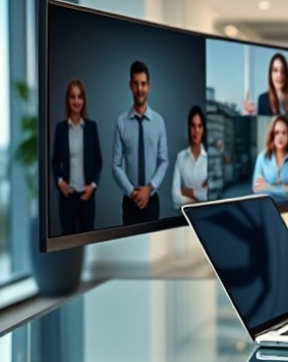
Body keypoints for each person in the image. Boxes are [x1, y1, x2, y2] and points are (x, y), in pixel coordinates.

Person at [113, 60, 169, 225]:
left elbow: (163, 161)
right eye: (136, 84)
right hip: (130, 201)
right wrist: (132, 192)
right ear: (130, 86)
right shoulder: (121, 122)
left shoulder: (159, 121)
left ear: (148, 86)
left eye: (143, 84)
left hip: (152, 201)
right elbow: (115, 164)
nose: (140, 89)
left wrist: (149, 188)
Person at [51, 79, 102, 234]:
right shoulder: (60, 129)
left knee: (87, 243)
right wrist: (60, 183)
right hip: (67, 198)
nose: (76, 101)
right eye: (73, 97)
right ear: (68, 100)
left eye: (79, 97)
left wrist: (92, 186)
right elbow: (55, 162)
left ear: (83, 100)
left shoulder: (91, 128)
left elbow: (98, 161)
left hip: (87, 198)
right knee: (68, 244)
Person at [252, 115, 288, 201]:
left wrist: (268, 187)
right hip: (266, 208)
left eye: (284, 133)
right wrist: (286, 187)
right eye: (277, 133)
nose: (280, 137)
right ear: (272, 135)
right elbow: (257, 189)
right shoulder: (262, 158)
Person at [244, 53, 288, 125]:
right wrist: (248, 116)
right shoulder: (263, 99)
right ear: (270, 74)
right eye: (275, 70)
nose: (279, 75)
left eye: (282, 71)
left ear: (286, 74)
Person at [171, 105, 208, 209]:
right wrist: (200, 198)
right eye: (193, 125)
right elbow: (175, 198)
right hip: (185, 220)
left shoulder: (209, 159)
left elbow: (210, 197)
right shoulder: (181, 157)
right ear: (188, 127)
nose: (196, 130)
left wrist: (191, 192)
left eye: (199, 126)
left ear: (203, 129)